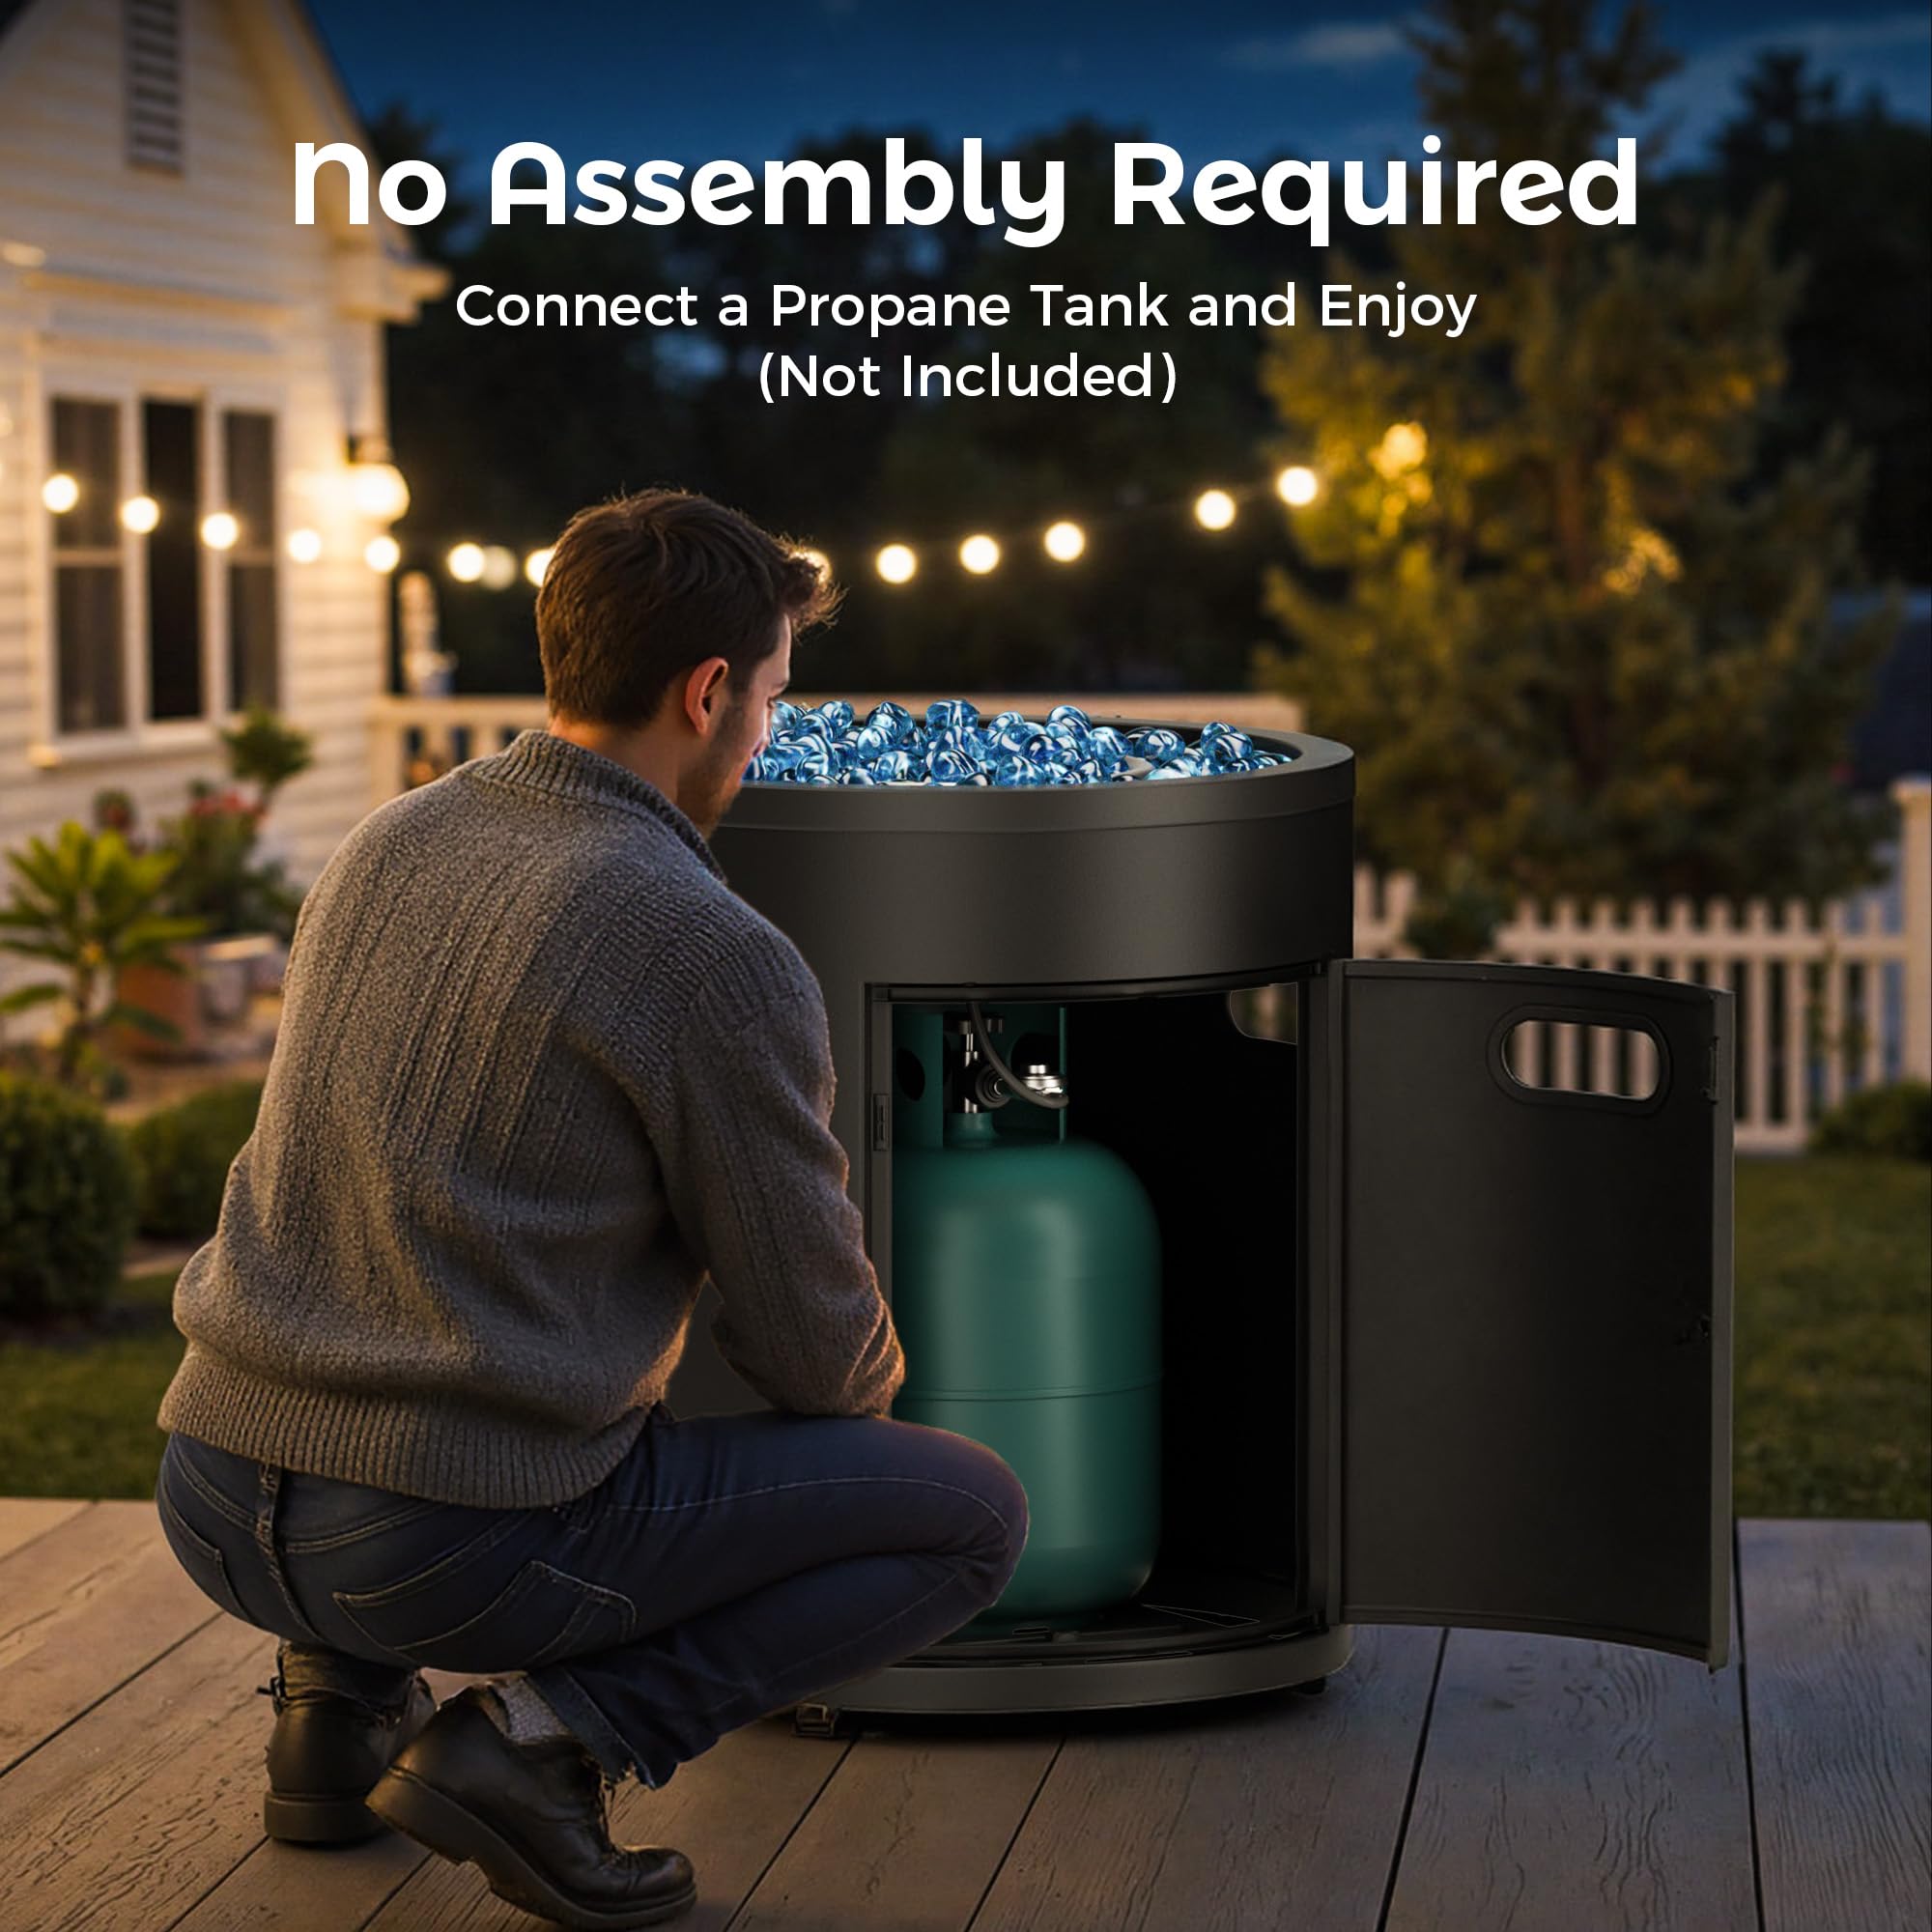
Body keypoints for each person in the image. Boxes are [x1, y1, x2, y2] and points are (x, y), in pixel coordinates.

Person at [153, 488, 1029, 1930]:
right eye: (767, 700)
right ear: (705, 692)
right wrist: (869, 1384)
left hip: (210, 1483)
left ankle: (329, 1728)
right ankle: (543, 1748)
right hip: (433, 1546)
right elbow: (819, 1355)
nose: (763, 734)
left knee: (430, 1316)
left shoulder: (386, 843)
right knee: (968, 1516)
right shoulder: (707, 946)